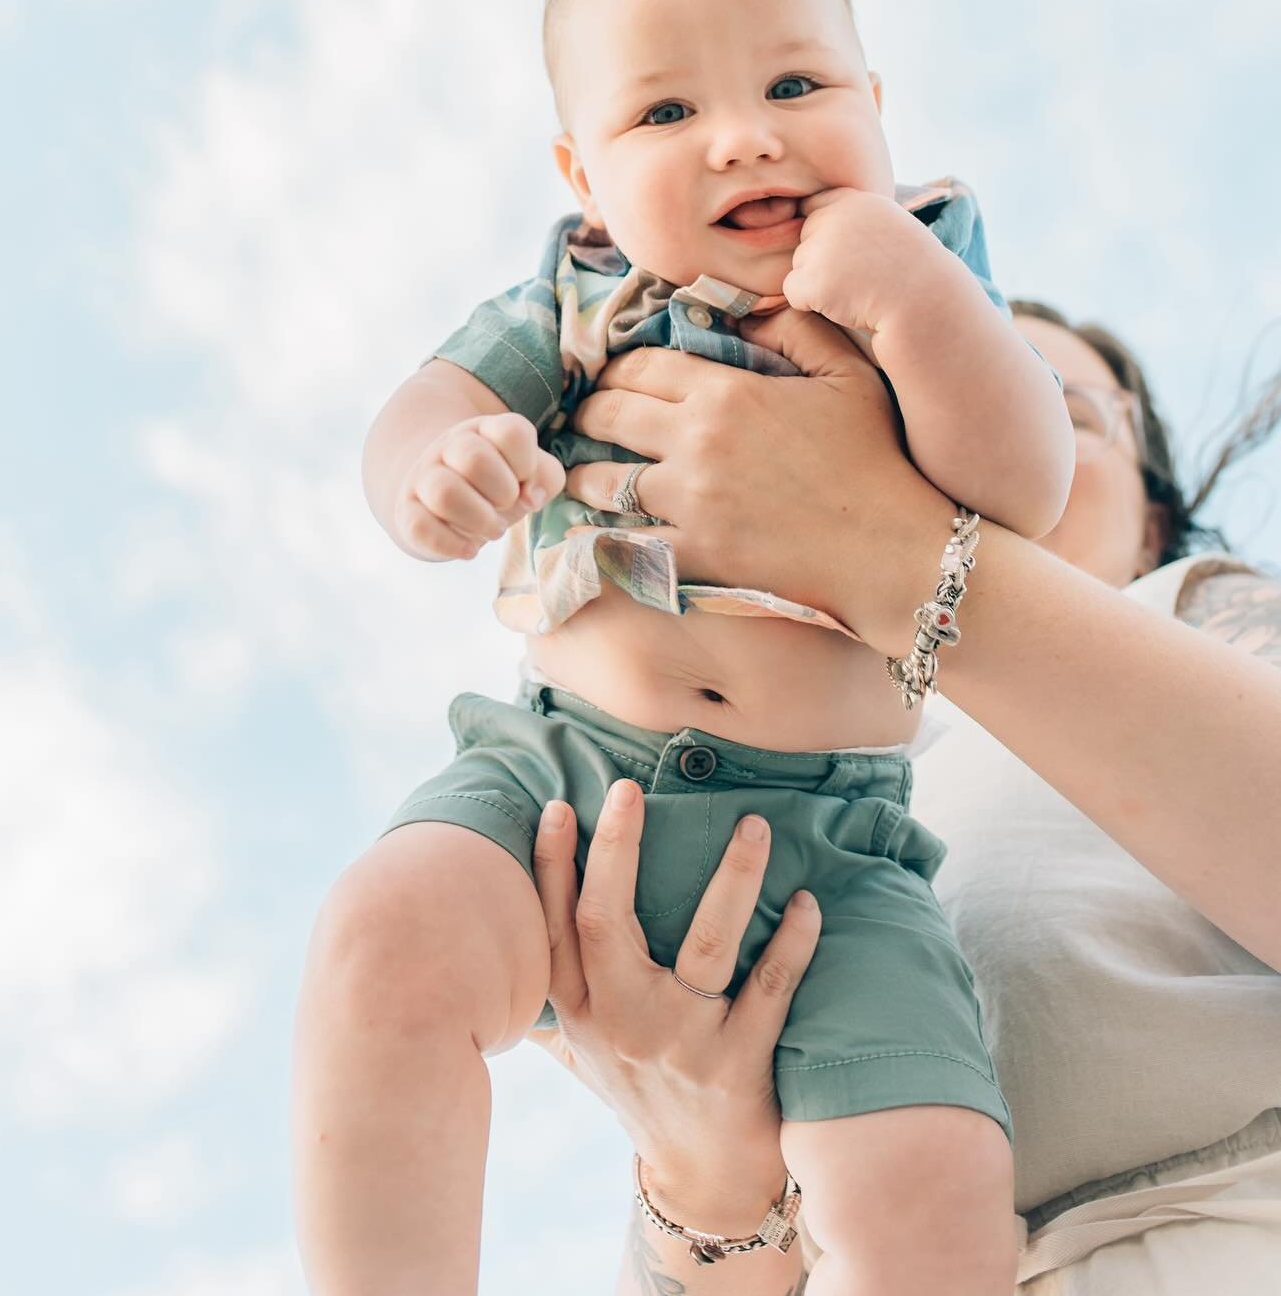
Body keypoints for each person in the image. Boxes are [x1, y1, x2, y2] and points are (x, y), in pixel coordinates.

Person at [293, 0, 1076, 1294]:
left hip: (832, 848)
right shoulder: (577, 292)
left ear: (877, 103)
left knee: (933, 1173)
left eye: (795, 81)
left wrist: (907, 292)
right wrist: (437, 466)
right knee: (382, 940)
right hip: (560, 777)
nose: (743, 136)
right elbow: (423, 405)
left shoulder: (925, 265)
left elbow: (1025, 486)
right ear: (584, 176)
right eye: (665, 112)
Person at [522, 299, 1281, 1291]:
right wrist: (701, 1175)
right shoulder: (778, 768)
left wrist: (904, 553)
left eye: (1068, 413)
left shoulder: (1203, 612)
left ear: (1152, 514)